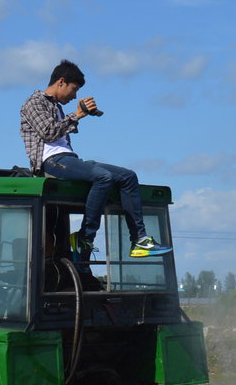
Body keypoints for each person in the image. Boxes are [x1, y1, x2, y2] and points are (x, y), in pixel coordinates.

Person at [19, 60, 170, 262]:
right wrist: (78, 114)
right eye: (73, 90)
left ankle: (139, 240)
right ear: (61, 82)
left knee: (128, 176)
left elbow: (60, 130)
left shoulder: (56, 106)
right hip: (51, 162)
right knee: (103, 177)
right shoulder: (34, 102)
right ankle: (85, 238)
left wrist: (83, 113)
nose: (74, 96)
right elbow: (48, 132)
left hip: (69, 159)